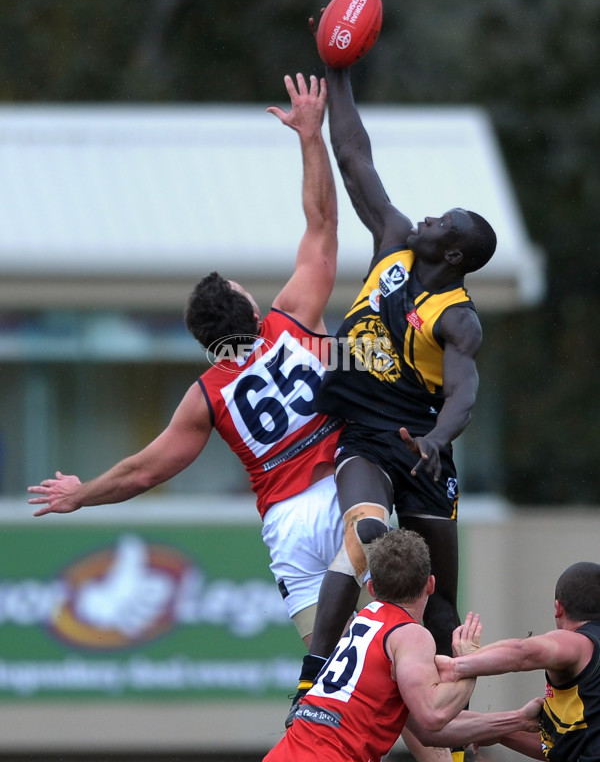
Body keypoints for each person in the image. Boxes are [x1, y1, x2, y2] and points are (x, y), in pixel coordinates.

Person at [26, 72, 358, 648]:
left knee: (342, 674)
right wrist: (309, 135)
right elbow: (323, 223)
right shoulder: (294, 317)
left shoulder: (207, 395)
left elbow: (144, 472)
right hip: (344, 491)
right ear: (247, 306)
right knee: (400, 642)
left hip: (289, 526)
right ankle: (453, 741)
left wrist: (80, 495)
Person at [286, 57, 497, 718]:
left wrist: (436, 440)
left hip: (423, 447)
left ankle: (455, 725)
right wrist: (340, 71)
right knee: (369, 531)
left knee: (436, 601)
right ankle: (314, 677)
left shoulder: (458, 318)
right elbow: (355, 157)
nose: (429, 217)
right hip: (368, 437)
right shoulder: (394, 242)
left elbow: (463, 394)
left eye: (445, 221)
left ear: (455, 253)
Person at [264, 528, 541, 762]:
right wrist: (469, 664)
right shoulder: (409, 634)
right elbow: (433, 715)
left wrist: (516, 720)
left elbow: (427, 731)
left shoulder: (362, 622)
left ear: (371, 589)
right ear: (430, 585)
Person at [436, 561, 600, 760]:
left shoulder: (579, 643)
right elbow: (561, 749)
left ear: (558, 608)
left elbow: (522, 652)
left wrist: (458, 666)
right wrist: (502, 732)